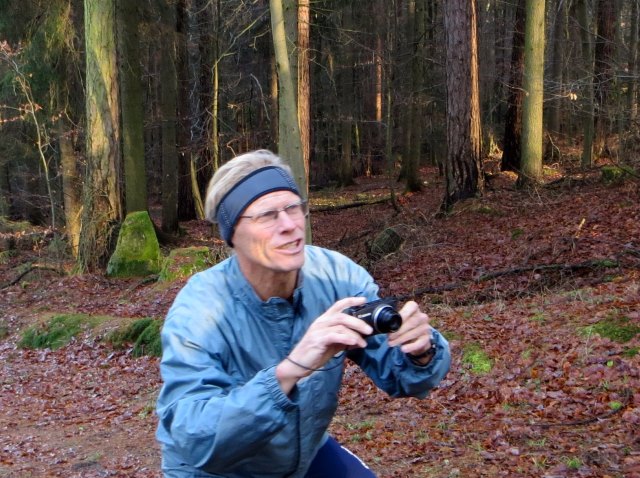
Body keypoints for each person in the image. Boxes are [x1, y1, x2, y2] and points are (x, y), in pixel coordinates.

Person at [156, 150, 451, 477]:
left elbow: (401, 375)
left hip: (302, 456)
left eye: (294, 207)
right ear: (232, 234)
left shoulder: (337, 279)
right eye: (268, 215)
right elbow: (196, 439)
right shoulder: (200, 311)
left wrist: (421, 352)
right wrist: (291, 370)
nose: (290, 225)